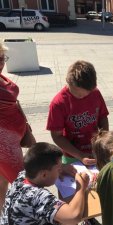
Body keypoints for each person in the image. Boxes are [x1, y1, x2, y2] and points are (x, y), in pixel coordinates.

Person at [0, 142, 90, 224]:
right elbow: (73, 217)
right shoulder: (37, 196)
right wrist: (81, 186)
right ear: (44, 175)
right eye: (58, 169)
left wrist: (61, 167)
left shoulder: (22, 176)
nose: (60, 171)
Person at [47, 60, 109, 166]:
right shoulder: (58, 103)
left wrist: (104, 139)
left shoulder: (95, 92)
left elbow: (103, 117)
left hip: (95, 149)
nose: (84, 97)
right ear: (69, 82)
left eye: (87, 94)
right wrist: (79, 155)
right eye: (79, 94)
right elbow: (57, 136)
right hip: (72, 155)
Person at [0, 43, 36, 211]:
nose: (1, 63)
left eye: (2, 58)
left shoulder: (2, 77)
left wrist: (26, 126)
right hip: (4, 146)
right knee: (24, 184)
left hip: (14, 140)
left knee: (2, 182)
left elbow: (15, 102)